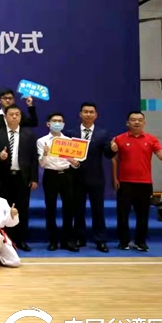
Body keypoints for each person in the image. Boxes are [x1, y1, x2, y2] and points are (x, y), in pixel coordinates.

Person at [111, 111, 162, 251]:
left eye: (139, 120)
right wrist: (115, 178)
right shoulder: (118, 139)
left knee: (143, 214)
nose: (136, 122)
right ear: (127, 123)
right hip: (125, 183)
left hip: (145, 183)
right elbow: (114, 159)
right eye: (133, 120)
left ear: (144, 123)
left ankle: (140, 242)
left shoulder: (151, 139)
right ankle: (123, 242)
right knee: (122, 214)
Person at [67, 102, 115, 253]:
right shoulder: (71, 133)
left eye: (91, 112)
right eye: (85, 111)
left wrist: (113, 149)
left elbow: (108, 154)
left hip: (96, 178)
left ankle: (100, 240)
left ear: (96, 115)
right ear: (80, 114)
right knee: (78, 210)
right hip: (76, 177)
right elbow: (65, 155)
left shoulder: (103, 134)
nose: (88, 114)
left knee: (98, 210)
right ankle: (79, 238)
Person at [0, 105, 38, 252]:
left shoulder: (29, 135)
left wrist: (34, 178)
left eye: (17, 114)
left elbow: (33, 158)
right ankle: (6, 240)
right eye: (11, 114)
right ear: (5, 117)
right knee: (3, 209)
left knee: (22, 209)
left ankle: (22, 240)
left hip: (22, 177)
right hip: (3, 178)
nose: (15, 117)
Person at [37, 112, 80, 252]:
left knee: (69, 208)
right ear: (48, 124)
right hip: (50, 175)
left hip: (67, 175)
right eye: (54, 121)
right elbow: (42, 164)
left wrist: (75, 163)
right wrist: (45, 153)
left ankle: (67, 240)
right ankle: (53, 240)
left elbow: (75, 163)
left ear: (63, 124)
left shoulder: (69, 141)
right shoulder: (42, 141)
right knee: (51, 208)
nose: (57, 123)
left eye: (60, 121)